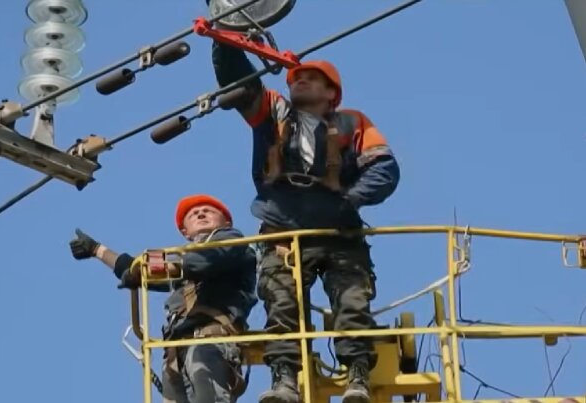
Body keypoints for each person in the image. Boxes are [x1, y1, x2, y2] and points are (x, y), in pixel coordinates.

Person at [210, 40, 401, 403]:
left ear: (331, 93)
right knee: (281, 304)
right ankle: (285, 379)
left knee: (352, 303)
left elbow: (384, 169)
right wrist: (224, 37)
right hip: (282, 232)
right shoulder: (273, 112)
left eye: (312, 79)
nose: (299, 81)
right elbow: (238, 80)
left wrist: (350, 200)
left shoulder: (353, 122)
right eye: (296, 78)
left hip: (339, 234)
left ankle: (357, 375)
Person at [68, 194, 257, 403]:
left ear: (227, 222)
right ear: (185, 231)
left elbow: (203, 261)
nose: (201, 214)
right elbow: (138, 267)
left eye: (209, 211)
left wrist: (151, 269)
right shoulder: (181, 263)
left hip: (211, 342)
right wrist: (97, 250)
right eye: (194, 214)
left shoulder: (234, 244)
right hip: (176, 353)